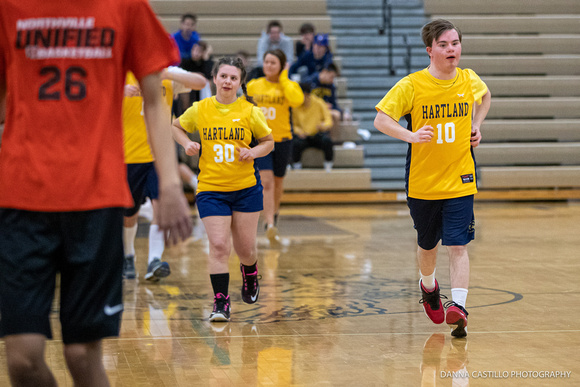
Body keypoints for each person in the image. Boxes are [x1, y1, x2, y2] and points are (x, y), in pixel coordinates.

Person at [0, 1, 193, 386]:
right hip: (22, 197)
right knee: (22, 360)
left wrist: (170, 184)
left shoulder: (124, 7)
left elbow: (155, 101)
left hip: (97, 198)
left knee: (82, 356)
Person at [374, 19, 491, 338]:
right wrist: (410, 135)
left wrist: (476, 125)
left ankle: (459, 306)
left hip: (460, 178)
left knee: (458, 244)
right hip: (423, 182)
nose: (451, 49)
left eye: (455, 43)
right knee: (428, 244)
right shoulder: (412, 85)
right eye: (444, 45)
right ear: (430, 50)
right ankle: (429, 287)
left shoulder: (469, 79)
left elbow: (485, 97)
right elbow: (381, 119)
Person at [171, 57, 274, 322]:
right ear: (215, 78)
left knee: (246, 249)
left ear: (240, 83)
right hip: (211, 190)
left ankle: (250, 273)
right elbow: (176, 126)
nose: (228, 81)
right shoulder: (200, 108)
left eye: (233, 78)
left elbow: (269, 142)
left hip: (246, 189)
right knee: (218, 246)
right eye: (223, 76)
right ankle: (221, 302)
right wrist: (186, 144)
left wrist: (252, 152)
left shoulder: (250, 111)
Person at [122, 67, 206, 281]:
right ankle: (128, 256)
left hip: (159, 156)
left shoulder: (168, 74)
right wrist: (118, 91)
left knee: (160, 209)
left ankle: (154, 261)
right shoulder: (122, 72)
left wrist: (169, 74)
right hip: (128, 155)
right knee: (128, 215)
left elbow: (200, 82)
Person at [247, 50, 304, 244]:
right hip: (262, 140)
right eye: (266, 62)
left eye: (273, 63)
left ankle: (274, 217)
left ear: (281, 66)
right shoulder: (254, 86)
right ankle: (269, 224)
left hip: (283, 140)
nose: (269, 66)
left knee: (278, 183)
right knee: (267, 181)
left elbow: (297, 101)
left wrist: (285, 78)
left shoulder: (288, 86)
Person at [291, 82, 334, 172]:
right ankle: (296, 165)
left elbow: (328, 120)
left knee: (327, 141)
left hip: (317, 134)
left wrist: (323, 126)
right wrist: (299, 131)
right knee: (295, 144)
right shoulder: (295, 105)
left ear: (307, 95)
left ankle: (328, 164)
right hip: (303, 136)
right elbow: (293, 124)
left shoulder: (319, 102)